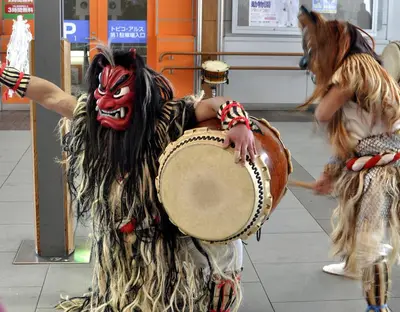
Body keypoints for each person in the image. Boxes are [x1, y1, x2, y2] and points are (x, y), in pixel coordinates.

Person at [0, 46, 257, 312]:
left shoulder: (165, 120)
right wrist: (5, 74)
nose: (104, 102)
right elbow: (50, 96)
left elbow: (215, 104)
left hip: (166, 241)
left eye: (117, 92)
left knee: (198, 284)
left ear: (141, 98)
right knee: (123, 297)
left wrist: (237, 122)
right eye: (101, 90)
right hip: (120, 245)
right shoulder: (93, 118)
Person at [297, 6, 400, 311]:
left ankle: (377, 306)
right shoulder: (360, 73)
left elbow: (325, 112)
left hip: (382, 170)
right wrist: (330, 173)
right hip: (373, 162)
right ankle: (356, 264)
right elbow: (351, 142)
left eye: (315, 54)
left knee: (369, 238)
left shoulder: (356, 69)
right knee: (360, 227)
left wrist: (326, 102)